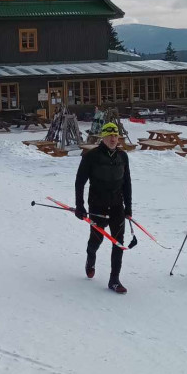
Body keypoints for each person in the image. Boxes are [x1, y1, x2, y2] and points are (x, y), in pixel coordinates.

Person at [75, 122, 132, 294]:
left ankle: (114, 280)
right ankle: (90, 257)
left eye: (115, 135)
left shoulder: (123, 156)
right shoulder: (91, 156)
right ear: (103, 137)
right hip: (97, 205)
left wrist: (128, 207)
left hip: (116, 205)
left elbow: (127, 183)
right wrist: (79, 206)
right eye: (109, 136)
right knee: (96, 240)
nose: (113, 139)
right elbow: (80, 182)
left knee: (118, 242)